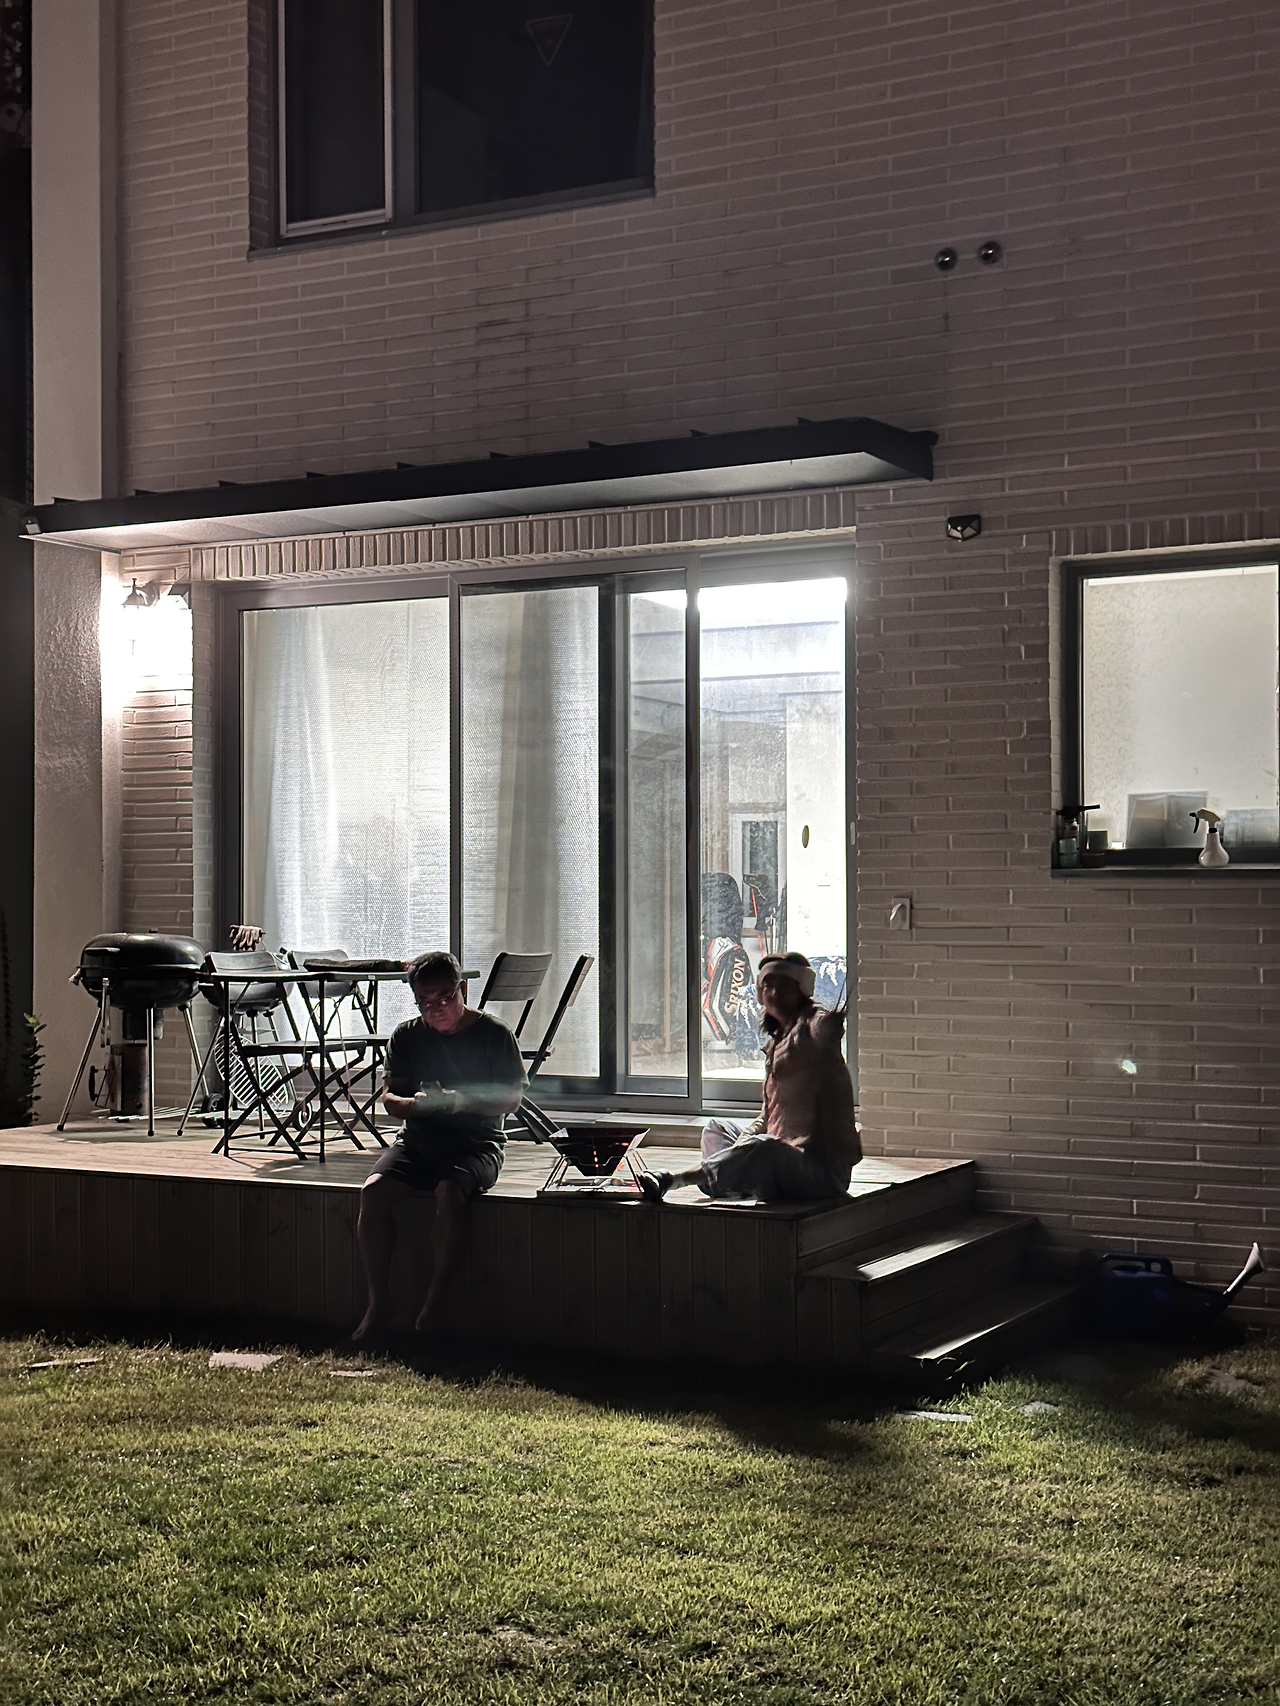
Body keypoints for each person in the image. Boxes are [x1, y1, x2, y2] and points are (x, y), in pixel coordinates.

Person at [351, 950, 526, 1341]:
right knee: (373, 1192)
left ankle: (435, 1299)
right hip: (418, 1140)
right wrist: (416, 1106)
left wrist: (461, 1102)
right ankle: (379, 1301)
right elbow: (390, 1098)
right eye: (425, 1002)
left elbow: (512, 1098)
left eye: (444, 998)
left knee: (449, 1191)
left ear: (463, 990)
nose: (435, 1009)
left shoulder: (494, 1034)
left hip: (476, 1143)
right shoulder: (407, 1035)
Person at [637, 951, 859, 1204]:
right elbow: (766, 1118)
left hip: (821, 1174)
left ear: (802, 990)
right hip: (780, 1155)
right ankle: (736, 1178)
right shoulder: (776, 1044)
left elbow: (823, 1026)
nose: (774, 993)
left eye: (785, 986)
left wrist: (831, 1023)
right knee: (716, 1131)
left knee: (765, 1148)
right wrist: (742, 1143)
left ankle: (675, 1179)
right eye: (768, 986)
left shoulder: (813, 1029)